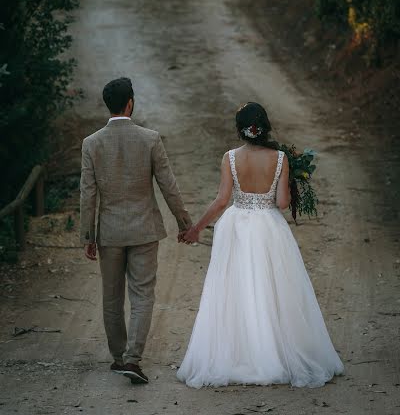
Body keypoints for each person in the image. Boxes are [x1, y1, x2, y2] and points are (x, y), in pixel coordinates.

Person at [177, 102, 344, 388]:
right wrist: (289, 184)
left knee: (236, 287)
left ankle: (242, 352)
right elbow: (281, 203)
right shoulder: (280, 158)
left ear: (240, 129)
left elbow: (221, 201)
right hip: (268, 226)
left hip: (237, 225)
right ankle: (275, 351)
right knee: (273, 287)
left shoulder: (230, 157)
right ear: (264, 126)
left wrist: (196, 229)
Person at [80, 77, 192, 384]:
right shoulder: (150, 138)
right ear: (130, 102)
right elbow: (169, 185)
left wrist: (88, 236)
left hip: (110, 233)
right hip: (144, 230)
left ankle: (119, 358)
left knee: (112, 296)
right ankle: (133, 358)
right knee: (143, 295)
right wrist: (185, 224)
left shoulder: (91, 143)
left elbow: (88, 194)